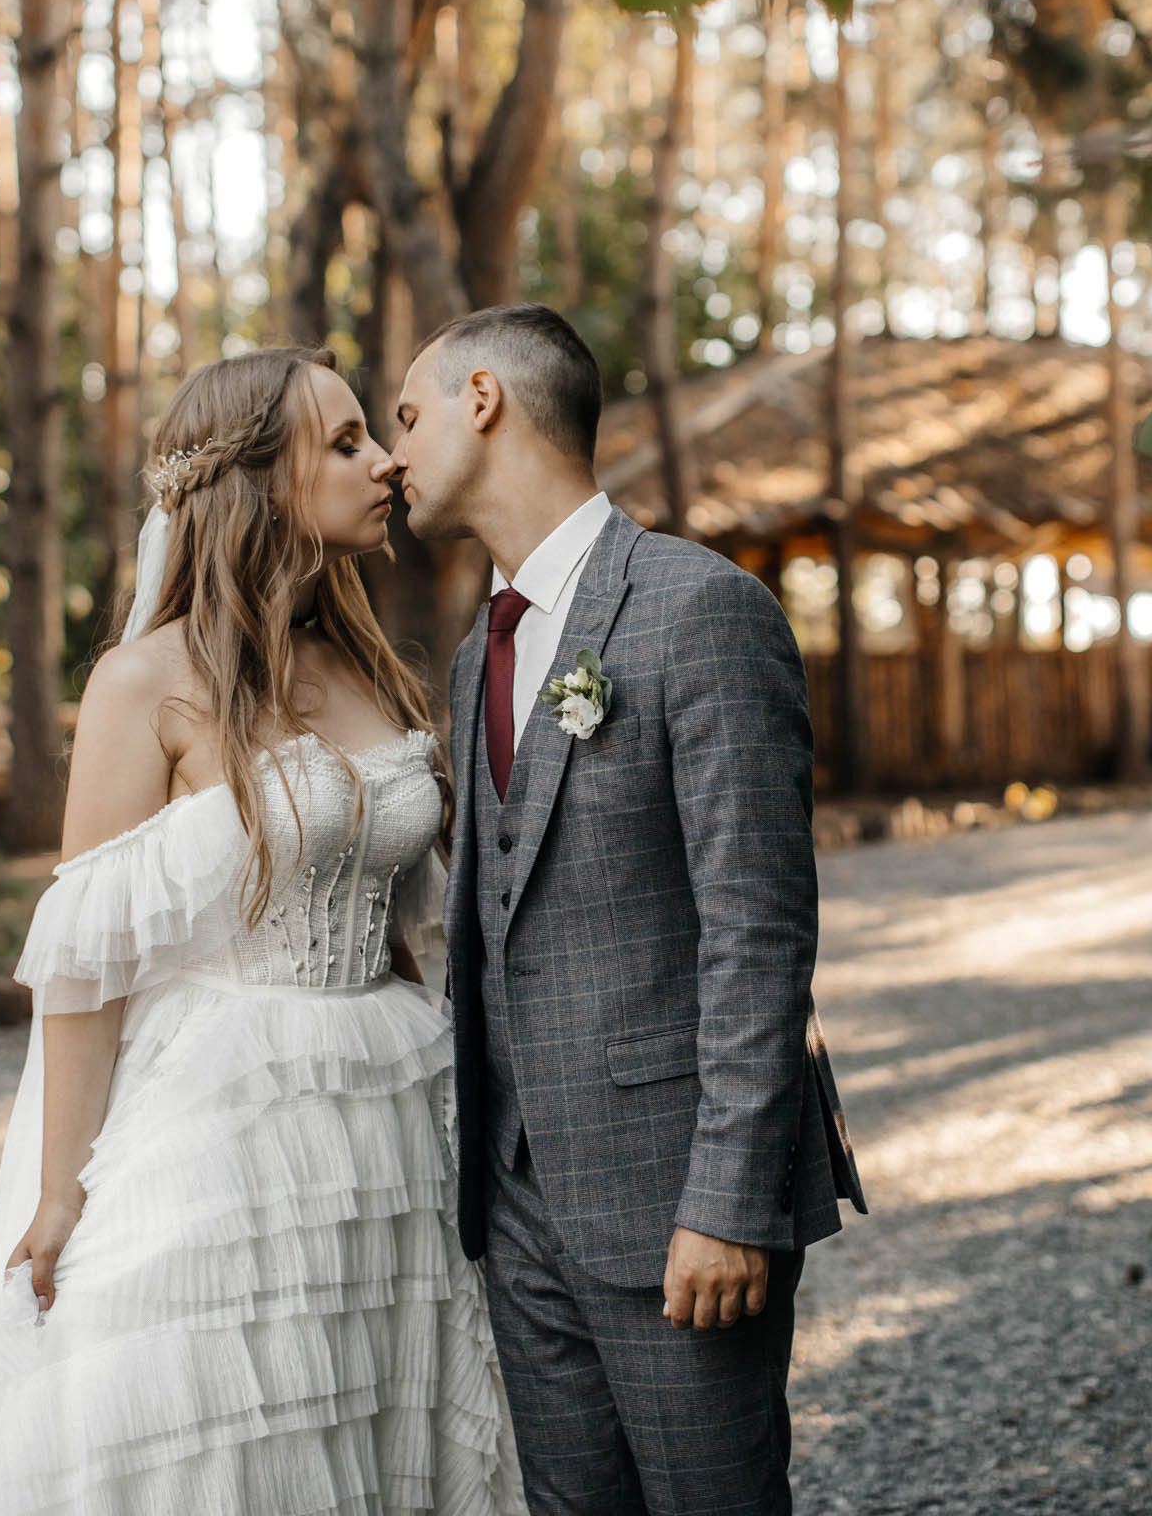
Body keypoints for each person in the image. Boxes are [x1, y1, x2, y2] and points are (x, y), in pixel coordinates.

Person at [0, 347, 523, 1515]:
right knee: (217, 1430)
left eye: (373, 435)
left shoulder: (369, 666)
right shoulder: (143, 684)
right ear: (258, 479)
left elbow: (422, 914)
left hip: (389, 1108)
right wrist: (60, 1191)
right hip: (219, 1119)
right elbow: (84, 965)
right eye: (345, 441)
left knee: (370, 1413)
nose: (385, 461)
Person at [388, 303, 865, 1516]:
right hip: (516, 1203)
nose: (392, 455)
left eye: (406, 415)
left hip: (676, 1204)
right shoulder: (472, 654)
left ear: (483, 398)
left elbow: (759, 934)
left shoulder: (699, 610)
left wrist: (727, 1200)